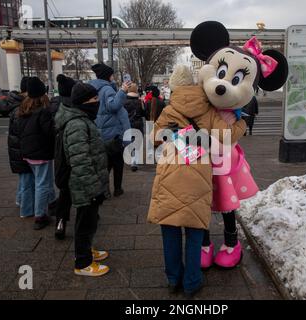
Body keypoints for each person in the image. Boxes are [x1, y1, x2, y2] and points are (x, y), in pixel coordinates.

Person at [147, 65, 246, 298]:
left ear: (173, 88)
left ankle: (173, 279)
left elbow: (152, 141)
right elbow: (228, 135)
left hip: (169, 177)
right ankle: (192, 282)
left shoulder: (168, 111)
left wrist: (169, 134)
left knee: (169, 231)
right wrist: (241, 122)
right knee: (194, 233)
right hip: (199, 177)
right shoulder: (209, 111)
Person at [54, 82, 111, 277]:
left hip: (88, 183)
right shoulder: (77, 124)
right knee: (84, 223)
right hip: (85, 185)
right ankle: (83, 262)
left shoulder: (83, 119)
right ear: (84, 101)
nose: (97, 103)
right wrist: (94, 188)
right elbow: (80, 161)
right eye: (95, 99)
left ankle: (87, 251)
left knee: (89, 221)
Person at [17, 77, 55, 230]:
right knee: (42, 184)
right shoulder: (43, 112)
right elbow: (50, 132)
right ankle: (40, 215)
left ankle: (45, 205)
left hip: (28, 154)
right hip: (41, 154)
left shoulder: (23, 111)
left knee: (36, 182)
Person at [89, 63, 130, 197]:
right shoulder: (107, 89)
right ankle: (117, 189)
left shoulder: (94, 88)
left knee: (104, 164)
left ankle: (104, 189)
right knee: (117, 162)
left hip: (100, 131)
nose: (113, 77)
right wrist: (122, 91)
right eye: (112, 75)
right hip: (112, 133)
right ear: (108, 76)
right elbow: (113, 106)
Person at [52, 75, 76, 239]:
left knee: (64, 190)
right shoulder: (74, 105)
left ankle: (60, 222)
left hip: (59, 152)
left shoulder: (52, 104)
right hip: (73, 149)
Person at [7, 76, 30, 207]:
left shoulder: (16, 104)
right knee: (25, 177)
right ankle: (24, 204)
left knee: (24, 177)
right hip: (21, 150)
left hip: (17, 148)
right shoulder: (21, 108)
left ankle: (20, 199)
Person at [123, 83, 146, 172]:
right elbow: (144, 114)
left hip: (127, 124)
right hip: (138, 124)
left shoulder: (124, 101)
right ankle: (134, 161)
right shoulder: (139, 101)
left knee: (129, 142)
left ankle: (130, 157)